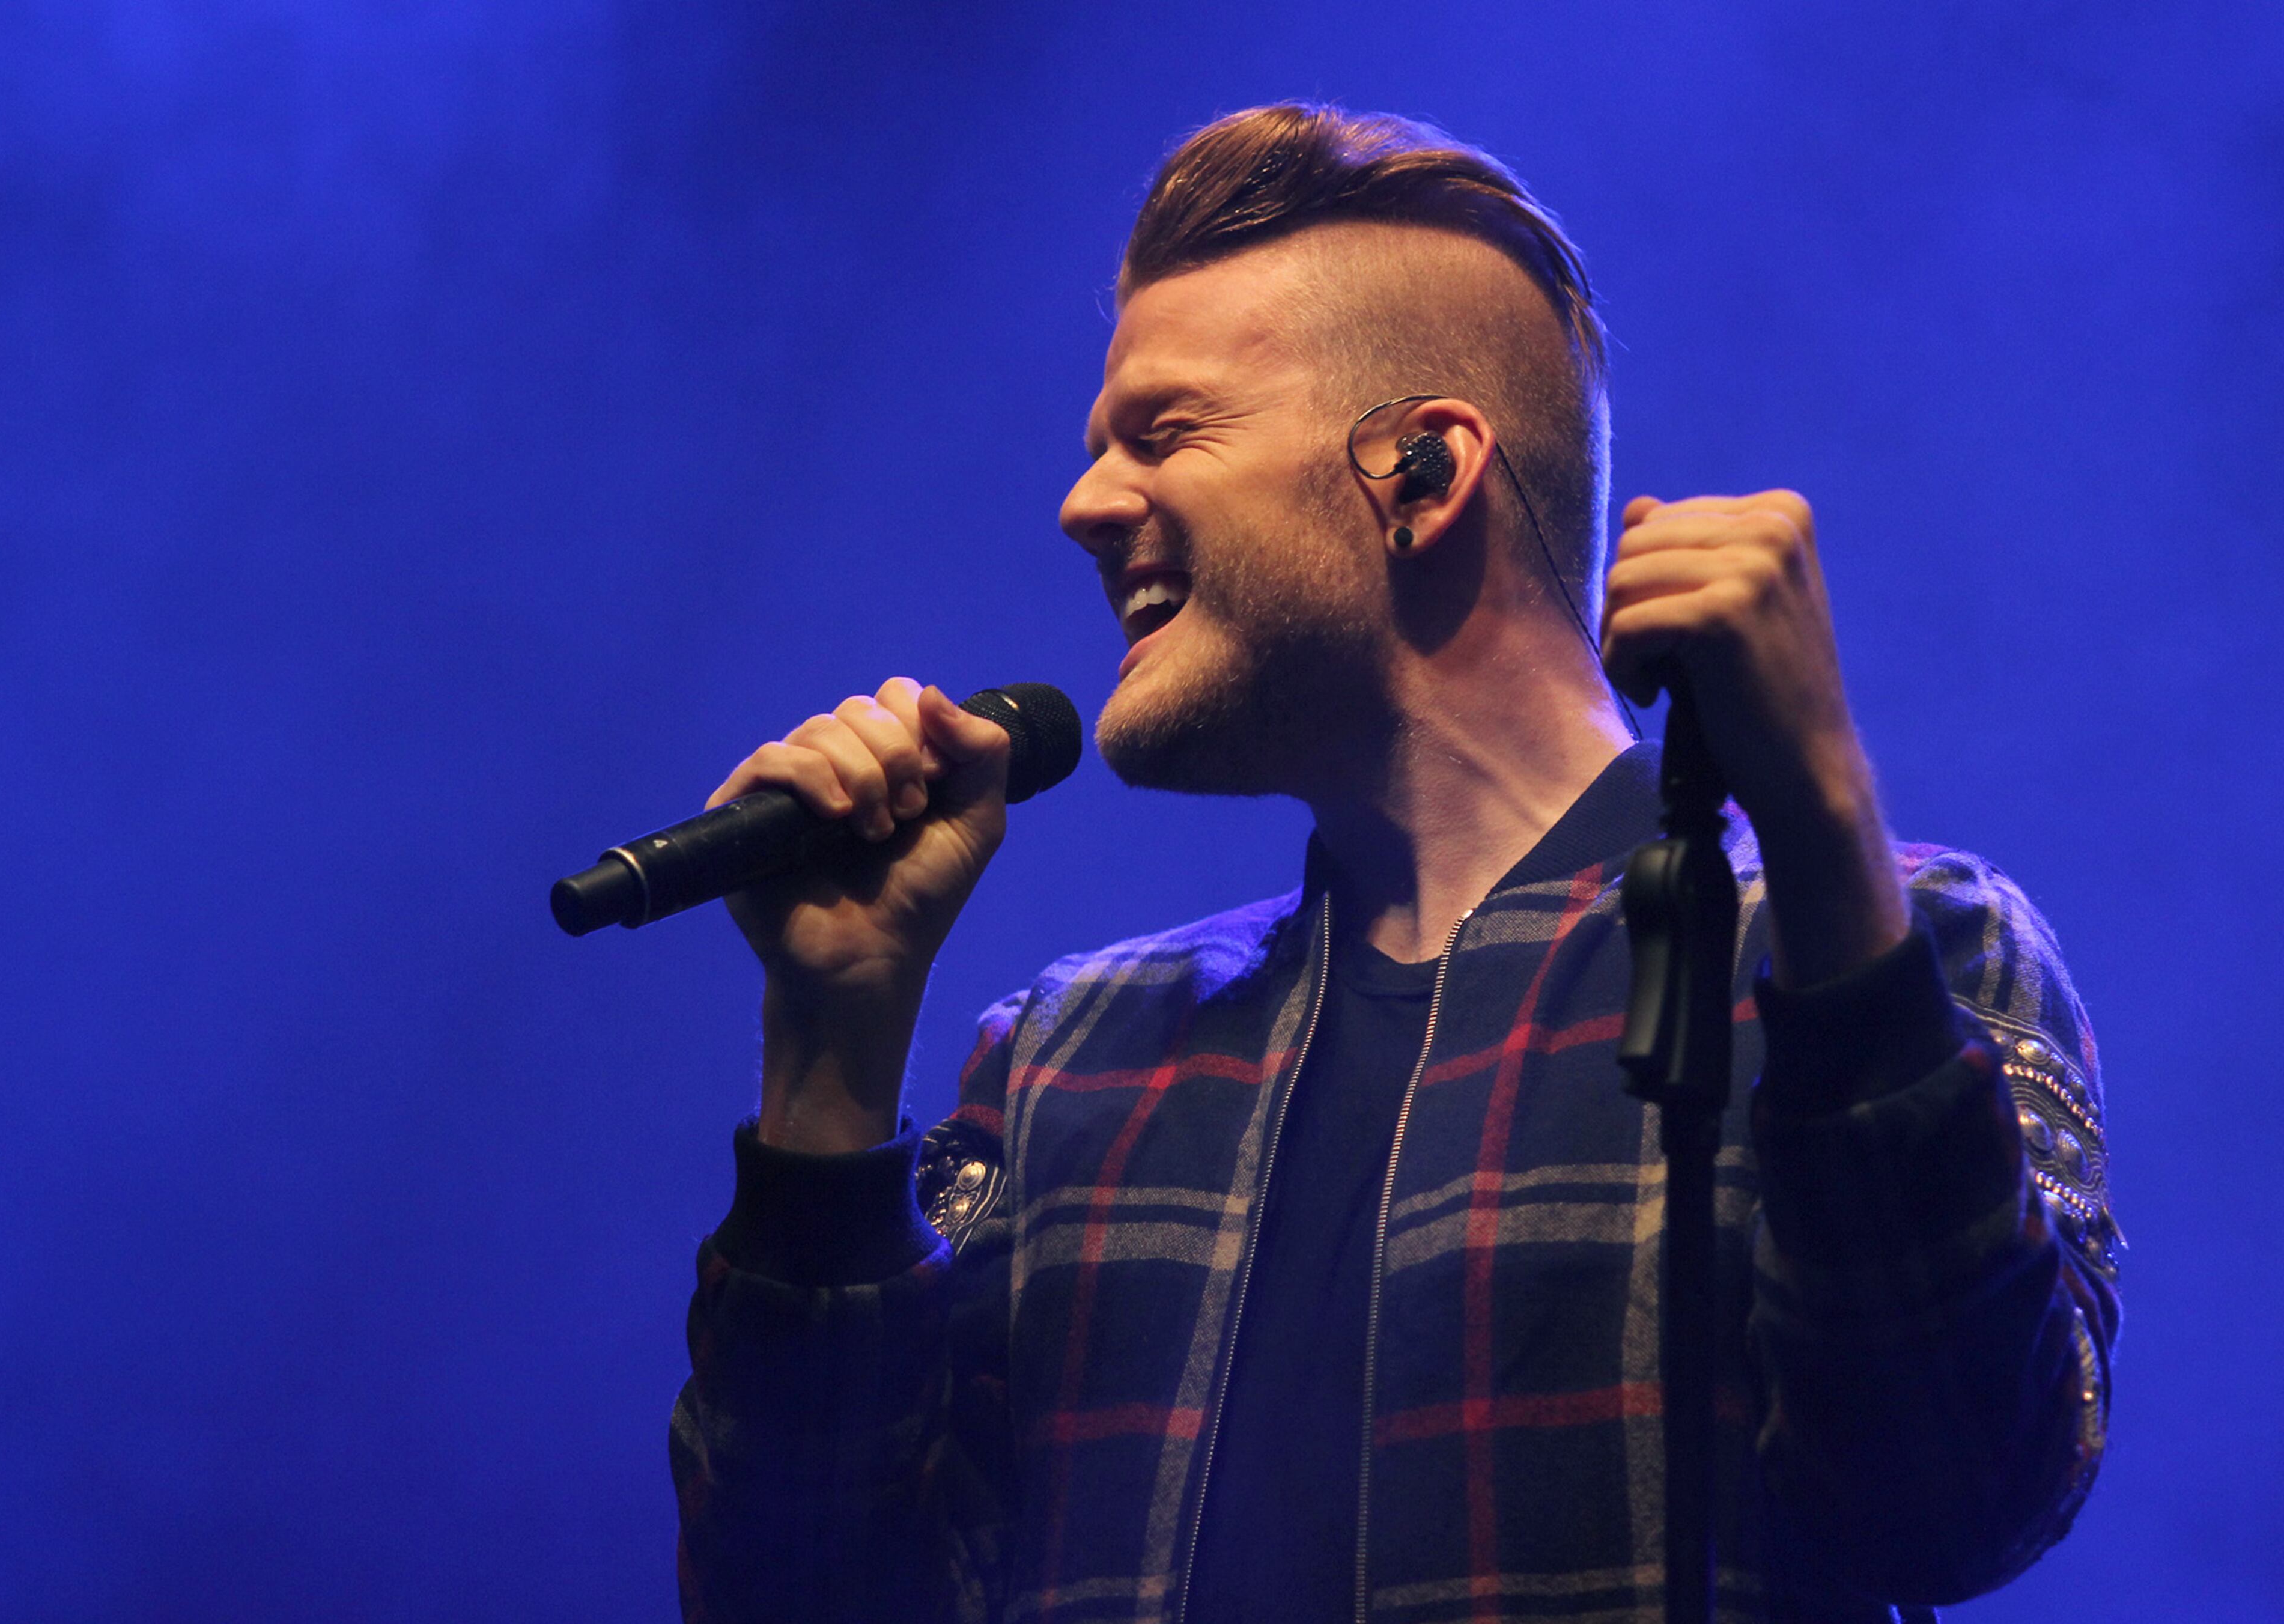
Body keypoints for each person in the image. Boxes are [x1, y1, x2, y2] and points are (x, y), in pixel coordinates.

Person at [666, 105, 2119, 1624]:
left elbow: (1961, 1491)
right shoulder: (1063, 1061)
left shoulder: (1873, 938)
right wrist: (830, 1059)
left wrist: (1822, 825)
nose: (1084, 505)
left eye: (1160, 434)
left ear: (1420, 472)